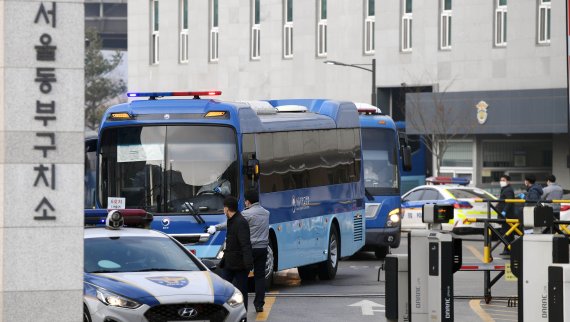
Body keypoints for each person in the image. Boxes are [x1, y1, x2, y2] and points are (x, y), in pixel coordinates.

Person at [208, 190, 270, 313]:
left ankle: (234, 308)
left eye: (246, 201)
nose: (245, 203)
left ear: (248, 201)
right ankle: (259, 304)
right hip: (263, 248)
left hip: (249, 248)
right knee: (260, 276)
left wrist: (216, 227)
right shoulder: (266, 213)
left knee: (240, 280)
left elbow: (230, 223)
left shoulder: (245, 215)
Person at [219, 196, 253, 311]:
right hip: (229, 262)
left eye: (224, 208)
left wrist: (248, 264)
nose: (223, 210)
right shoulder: (231, 221)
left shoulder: (240, 222)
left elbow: (245, 244)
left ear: (227, 209)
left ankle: (243, 314)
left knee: (242, 291)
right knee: (224, 289)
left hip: (240, 265)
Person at [496, 175, 515, 256]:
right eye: (501, 180)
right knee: (508, 233)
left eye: (503, 180)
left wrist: (504, 211)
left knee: (506, 233)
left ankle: (509, 249)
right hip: (505, 214)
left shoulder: (508, 190)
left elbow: (509, 202)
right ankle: (508, 249)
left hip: (507, 215)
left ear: (508, 181)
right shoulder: (505, 189)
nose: (501, 182)